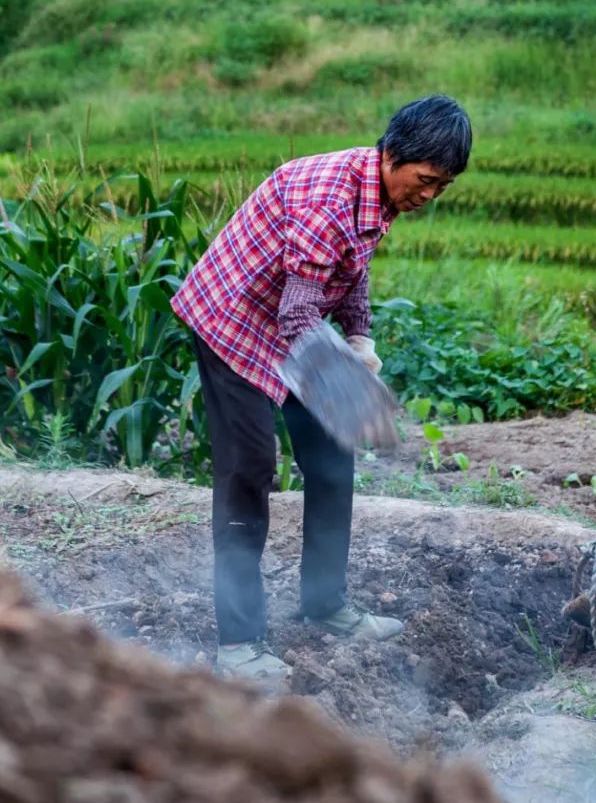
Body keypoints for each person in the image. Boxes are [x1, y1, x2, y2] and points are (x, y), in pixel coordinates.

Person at [171, 94, 472, 681]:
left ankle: (325, 603)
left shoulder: (378, 196)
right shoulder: (328, 202)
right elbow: (297, 323)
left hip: (286, 320)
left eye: (444, 186)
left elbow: (352, 272)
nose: (430, 195)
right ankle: (239, 647)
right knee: (249, 470)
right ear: (394, 155)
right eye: (427, 180)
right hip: (233, 322)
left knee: (334, 455)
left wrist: (360, 339)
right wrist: (357, 389)